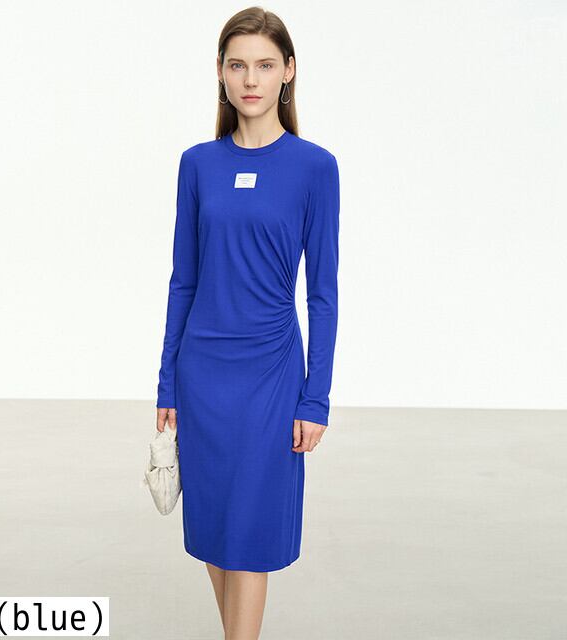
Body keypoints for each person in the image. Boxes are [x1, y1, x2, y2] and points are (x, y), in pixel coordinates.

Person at [155, 7, 340, 639]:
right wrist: (167, 383)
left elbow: (323, 295)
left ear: (288, 71)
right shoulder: (197, 164)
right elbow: (183, 281)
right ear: (220, 72)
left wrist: (316, 397)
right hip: (202, 376)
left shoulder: (315, 167)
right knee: (214, 532)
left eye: (264, 65)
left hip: (271, 377)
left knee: (250, 536)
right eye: (238, 65)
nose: (250, 79)